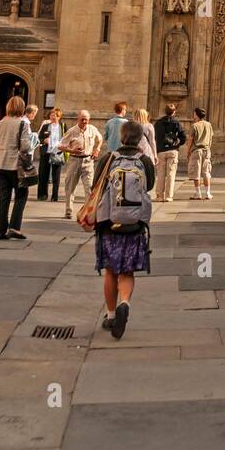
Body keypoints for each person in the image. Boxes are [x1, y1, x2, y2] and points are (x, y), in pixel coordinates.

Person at [92, 119, 155, 340]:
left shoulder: (108, 159)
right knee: (127, 270)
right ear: (140, 139)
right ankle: (125, 303)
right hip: (134, 224)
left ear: (121, 136)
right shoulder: (145, 161)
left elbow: (96, 187)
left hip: (110, 222)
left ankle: (110, 316)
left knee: (111, 270)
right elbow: (149, 186)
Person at [0, 95, 34, 239]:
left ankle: (1, 231)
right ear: (22, 108)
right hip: (15, 164)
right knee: (21, 195)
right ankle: (15, 227)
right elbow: (25, 146)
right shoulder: (23, 124)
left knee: (3, 197)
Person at [59, 110, 103, 220]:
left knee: (89, 188)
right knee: (70, 187)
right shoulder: (72, 131)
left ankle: (88, 213)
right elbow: (60, 146)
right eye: (82, 119)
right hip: (75, 161)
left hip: (88, 161)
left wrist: (97, 149)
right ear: (77, 119)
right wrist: (71, 150)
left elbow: (100, 138)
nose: (84, 121)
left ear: (89, 120)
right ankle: (68, 211)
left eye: (86, 120)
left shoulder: (92, 129)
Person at [153, 103, 185, 204]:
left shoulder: (158, 123)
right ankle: (168, 196)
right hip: (172, 150)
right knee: (171, 174)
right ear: (174, 112)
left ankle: (159, 195)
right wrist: (178, 143)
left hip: (161, 150)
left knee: (160, 174)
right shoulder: (177, 123)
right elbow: (183, 137)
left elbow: (155, 136)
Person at [36, 107, 66, 201]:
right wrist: (44, 140)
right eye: (51, 115)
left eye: (55, 115)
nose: (53, 117)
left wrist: (63, 145)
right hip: (46, 153)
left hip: (57, 153)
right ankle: (42, 195)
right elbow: (39, 138)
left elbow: (68, 138)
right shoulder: (46, 126)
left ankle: (54, 196)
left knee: (56, 176)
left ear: (59, 117)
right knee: (43, 175)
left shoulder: (63, 126)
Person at [187, 107, 214, 200]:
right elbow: (211, 138)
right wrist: (209, 148)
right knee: (206, 172)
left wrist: (188, 151)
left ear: (196, 114)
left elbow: (190, 139)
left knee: (196, 172)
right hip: (206, 150)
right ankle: (208, 193)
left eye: (194, 113)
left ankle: (198, 193)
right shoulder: (209, 124)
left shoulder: (194, 126)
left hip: (196, 150)